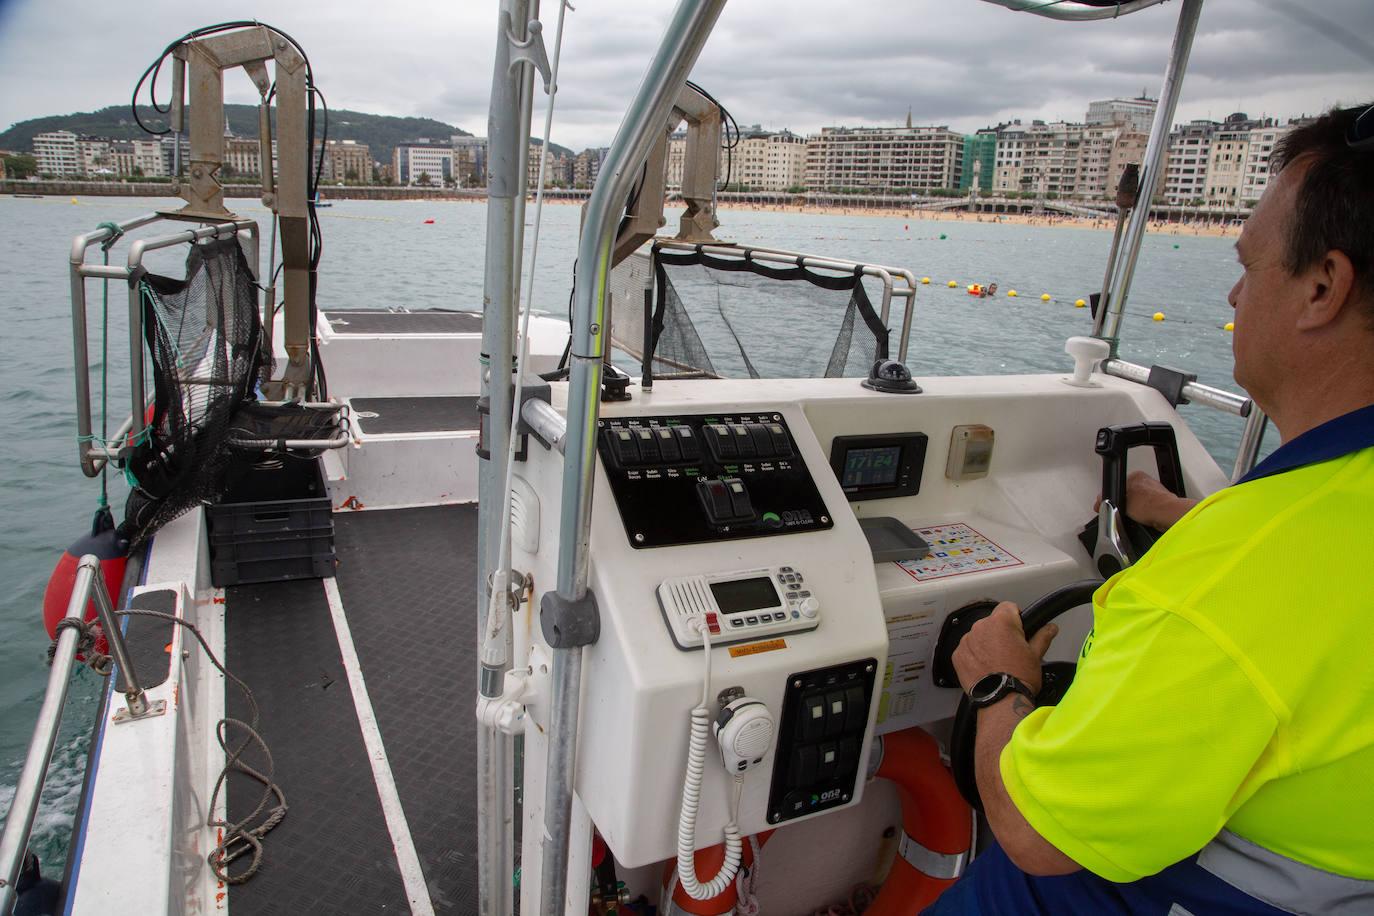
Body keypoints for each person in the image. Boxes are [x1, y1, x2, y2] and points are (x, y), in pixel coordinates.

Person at [926, 103, 1374, 914]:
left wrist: (997, 684)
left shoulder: (1234, 580)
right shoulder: (1309, 522)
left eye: (1248, 266)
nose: (1233, 294)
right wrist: (1185, 514)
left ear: (1322, 288)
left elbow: (1035, 832)